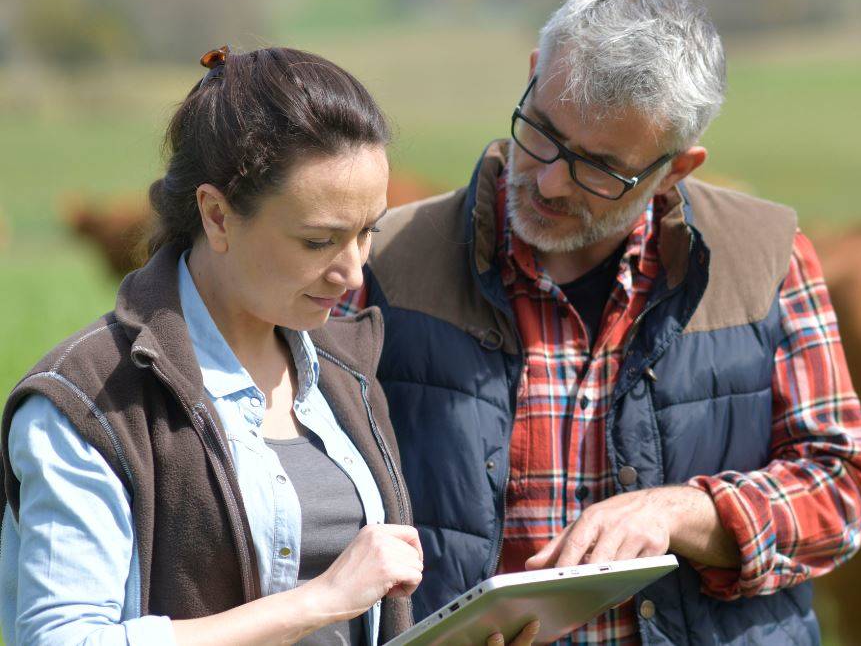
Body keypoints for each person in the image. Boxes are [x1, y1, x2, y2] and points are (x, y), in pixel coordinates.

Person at [345, 0, 861, 643]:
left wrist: (686, 513)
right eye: (541, 132)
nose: (547, 180)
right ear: (535, 75)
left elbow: (842, 484)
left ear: (676, 169)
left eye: (598, 167)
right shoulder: (384, 265)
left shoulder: (767, 258)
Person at [0, 47, 539, 646]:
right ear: (217, 216)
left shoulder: (346, 368)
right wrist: (317, 602)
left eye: (367, 233)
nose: (354, 273)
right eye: (318, 241)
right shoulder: (91, 401)